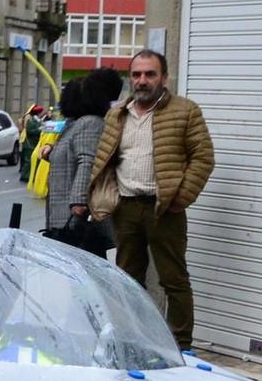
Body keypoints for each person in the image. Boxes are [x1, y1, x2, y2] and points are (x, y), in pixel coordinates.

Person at [86, 49, 215, 350]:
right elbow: (105, 158)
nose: (142, 81)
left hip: (165, 209)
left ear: (164, 78)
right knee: (127, 282)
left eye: (150, 74)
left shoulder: (185, 111)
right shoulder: (116, 114)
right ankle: (134, 341)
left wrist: (181, 197)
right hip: (126, 208)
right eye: (136, 74)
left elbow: (204, 157)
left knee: (174, 280)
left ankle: (181, 345)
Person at [40, 69, 122, 252]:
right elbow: (72, 152)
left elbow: (87, 162)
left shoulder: (90, 123)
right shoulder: (75, 124)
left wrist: (78, 202)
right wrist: (51, 151)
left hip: (75, 216)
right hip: (65, 216)